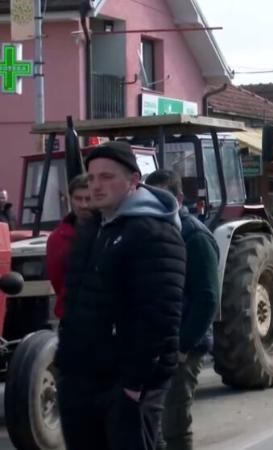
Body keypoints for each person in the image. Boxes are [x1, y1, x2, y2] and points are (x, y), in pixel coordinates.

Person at [55, 142, 186, 450]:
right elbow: (76, 304)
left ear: (134, 180)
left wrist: (133, 385)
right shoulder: (91, 229)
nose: (96, 186)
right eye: (92, 178)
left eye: (107, 177)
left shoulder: (154, 233)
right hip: (82, 380)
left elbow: (159, 318)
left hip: (126, 386)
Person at [145, 170, 219, 450]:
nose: (154, 204)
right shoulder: (151, 232)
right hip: (155, 342)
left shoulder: (195, 236)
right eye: (149, 198)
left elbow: (207, 298)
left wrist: (183, 346)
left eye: (161, 198)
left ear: (178, 198)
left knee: (174, 421)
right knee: (152, 423)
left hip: (183, 345)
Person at [46, 174, 92, 319]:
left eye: (88, 199)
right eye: (78, 199)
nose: (83, 205)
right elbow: (57, 279)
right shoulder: (57, 238)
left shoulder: (109, 230)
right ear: (70, 199)